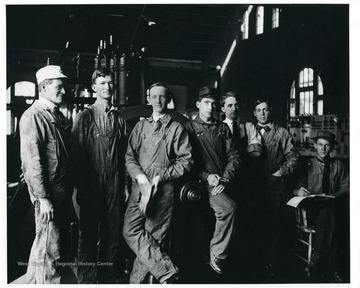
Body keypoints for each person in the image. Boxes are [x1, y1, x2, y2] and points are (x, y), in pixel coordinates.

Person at [122, 82, 193, 284]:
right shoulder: (141, 126)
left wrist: (163, 176)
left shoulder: (176, 128)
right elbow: (129, 157)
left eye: (162, 96)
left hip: (163, 192)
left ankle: (136, 283)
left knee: (154, 238)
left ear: (168, 99)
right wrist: (139, 176)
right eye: (154, 96)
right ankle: (167, 271)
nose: (158, 100)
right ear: (148, 99)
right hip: (139, 190)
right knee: (130, 230)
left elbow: (186, 160)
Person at [71, 67, 128, 284]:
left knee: (112, 234)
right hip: (91, 184)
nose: (107, 86)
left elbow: (125, 156)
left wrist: (124, 185)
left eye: (110, 82)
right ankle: (86, 279)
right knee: (88, 235)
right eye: (102, 83)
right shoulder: (84, 117)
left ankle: (107, 277)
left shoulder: (119, 118)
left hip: (114, 183)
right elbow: (76, 157)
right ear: (94, 87)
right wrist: (82, 188)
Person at [19, 65, 72, 283]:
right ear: (43, 88)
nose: (63, 92)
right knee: (51, 249)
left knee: (44, 243)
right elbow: (33, 161)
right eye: (58, 87)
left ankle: (34, 282)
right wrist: (42, 198)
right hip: (49, 192)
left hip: (58, 189)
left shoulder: (53, 115)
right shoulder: (33, 116)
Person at [184, 86, 240, 275]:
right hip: (201, 184)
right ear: (198, 104)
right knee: (228, 208)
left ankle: (217, 253)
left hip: (223, 183)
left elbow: (235, 156)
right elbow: (187, 160)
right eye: (206, 103)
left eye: (213, 104)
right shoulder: (189, 128)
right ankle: (217, 253)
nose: (210, 108)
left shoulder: (222, 128)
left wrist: (225, 179)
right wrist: (207, 176)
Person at [293, 130, 349, 282]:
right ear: (315, 146)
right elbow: (296, 187)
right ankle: (333, 269)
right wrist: (299, 191)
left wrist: (333, 196)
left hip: (332, 207)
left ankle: (317, 260)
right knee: (331, 219)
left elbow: (346, 188)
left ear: (331, 148)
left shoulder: (339, 165)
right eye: (320, 145)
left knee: (329, 213)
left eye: (327, 145)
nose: (323, 149)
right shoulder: (307, 164)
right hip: (311, 209)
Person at [252, 99, 299, 276]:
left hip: (275, 187)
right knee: (255, 225)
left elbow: (293, 156)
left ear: (269, 111)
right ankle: (255, 264)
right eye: (259, 110)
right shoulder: (248, 131)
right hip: (253, 187)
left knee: (273, 226)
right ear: (254, 113)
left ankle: (270, 265)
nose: (262, 113)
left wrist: (281, 172)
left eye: (265, 109)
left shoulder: (281, 133)